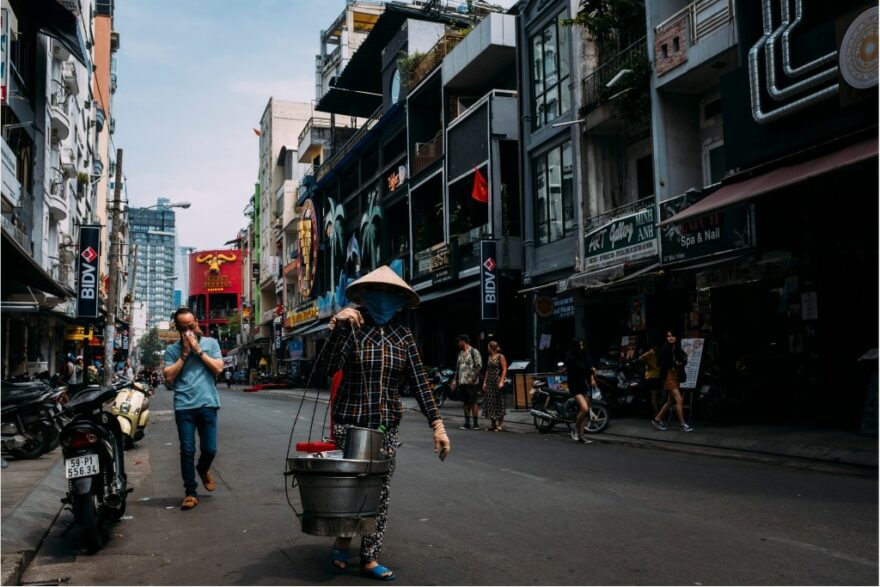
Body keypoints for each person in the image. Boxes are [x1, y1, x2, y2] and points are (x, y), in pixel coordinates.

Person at [313, 265, 450, 581]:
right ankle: (343, 538)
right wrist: (337, 326)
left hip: (385, 426)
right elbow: (326, 368)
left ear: (400, 300)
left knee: (379, 492)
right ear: (364, 295)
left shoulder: (403, 337)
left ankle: (369, 556)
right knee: (351, 487)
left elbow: (420, 383)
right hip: (351, 422)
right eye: (378, 292)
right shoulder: (352, 328)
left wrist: (438, 425)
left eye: (391, 293)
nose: (384, 299)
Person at [163, 307, 225, 510]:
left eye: (191, 326)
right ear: (177, 330)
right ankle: (190, 492)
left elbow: (218, 368)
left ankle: (203, 468)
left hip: (208, 403)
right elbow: (169, 376)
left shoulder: (211, 343)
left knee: (210, 449)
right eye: (183, 329)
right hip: (184, 406)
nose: (188, 331)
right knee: (187, 450)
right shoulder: (172, 351)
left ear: (197, 323)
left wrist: (198, 351)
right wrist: (184, 354)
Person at [650, 330, 694, 432]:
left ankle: (657, 419)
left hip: (676, 376)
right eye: (668, 336)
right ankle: (683, 425)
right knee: (679, 399)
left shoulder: (677, 349)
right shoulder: (664, 349)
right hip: (669, 375)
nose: (671, 338)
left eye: (673, 336)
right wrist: (673, 363)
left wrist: (680, 363)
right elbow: (659, 362)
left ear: (676, 337)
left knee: (670, 401)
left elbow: (684, 360)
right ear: (666, 338)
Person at [564, 338, 596, 444]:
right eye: (580, 345)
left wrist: (591, 377)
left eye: (583, 345)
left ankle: (581, 436)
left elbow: (589, 366)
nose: (582, 347)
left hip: (583, 384)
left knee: (583, 411)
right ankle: (574, 427)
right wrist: (590, 369)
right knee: (584, 408)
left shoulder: (583, 355)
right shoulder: (571, 358)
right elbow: (583, 367)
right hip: (574, 385)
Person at [451, 334, 482, 430]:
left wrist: (474, 378)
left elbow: (479, 366)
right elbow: (457, 368)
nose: (458, 343)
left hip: (471, 382)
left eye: (459, 341)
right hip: (462, 382)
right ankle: (467, 423)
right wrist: (455, 381)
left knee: (473, 402)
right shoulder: (460, 353)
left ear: (463, 341)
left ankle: (476, 424)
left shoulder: (474, 351)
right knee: (465, 402)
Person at [481, 341, 508, 431]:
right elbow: (487, 371)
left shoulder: (500, 356)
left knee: (498, 401)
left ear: (492, 347)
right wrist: (484, 382)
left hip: (497, 380)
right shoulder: (489, 357)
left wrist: (501, 381)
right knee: (490, 402)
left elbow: (504, 369)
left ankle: (500, 425)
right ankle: (493, 424)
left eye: (488, 347)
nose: (487, 349)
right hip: (490, 382)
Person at [637, 335, 662, 413]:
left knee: (659, 394)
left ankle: (658, 412)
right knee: (654, 395)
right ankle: (657, 413)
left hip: (657, 375)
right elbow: (640, 358)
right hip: (652, 376)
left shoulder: (656, 353)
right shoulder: (650, 352)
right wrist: (648, 364)